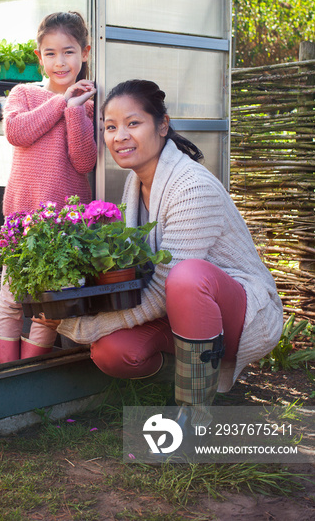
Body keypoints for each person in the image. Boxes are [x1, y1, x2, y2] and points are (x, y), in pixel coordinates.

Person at [39, 79, 283, 423]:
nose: (120, 136)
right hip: (179, 309)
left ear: (162, 125)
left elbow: (162, 290)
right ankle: (190, 372)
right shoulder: (136, 181)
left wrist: (84, 326)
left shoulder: (191, 186)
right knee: (114, 352)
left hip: (241, 310)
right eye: (110, 127)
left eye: (133, 123)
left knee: (186, 276)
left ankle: (195, 411)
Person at [0, 11, 97, 363]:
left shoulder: (86, 105)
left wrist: (75, 109)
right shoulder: (23, 94)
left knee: (50, 304)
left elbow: (84, 161)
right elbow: (17, 132)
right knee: (11, 298)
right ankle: (8, 374)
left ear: (85, 53)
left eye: (69, 52)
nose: (60, 61)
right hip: (22, 219)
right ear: (39, 57)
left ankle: (30, 373)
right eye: (51, 53)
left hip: (64, 225)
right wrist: (61, 101)